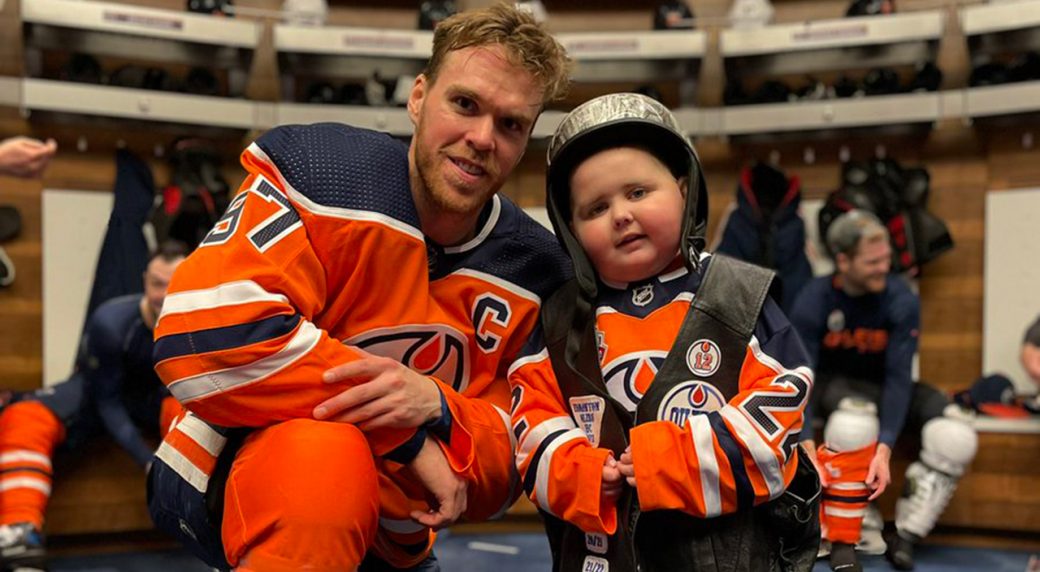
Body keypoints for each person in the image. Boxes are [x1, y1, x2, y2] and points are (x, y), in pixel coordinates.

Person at [147, 4, 572, 571]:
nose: (481, 138)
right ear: (419, 97)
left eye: (510, 124)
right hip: (236, 473)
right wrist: (406, 433)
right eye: (464, 104)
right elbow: (203, 335)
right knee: (324, 457)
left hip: (394, 539)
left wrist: (436, 405)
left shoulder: (536, 267)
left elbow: (506, 466)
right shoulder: (326, 172)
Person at [508, 92, 820, 572]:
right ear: (569, 230)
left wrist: (672, 463)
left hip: (726, 553)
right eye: (595, 209)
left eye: (638, 192)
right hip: (599, 554)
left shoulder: (739, 295)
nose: (620, 215)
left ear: (683, 189)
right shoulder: (558, 321)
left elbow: (783, 412)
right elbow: (530, 419)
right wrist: (581, 472)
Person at [790, 210, 978, 572]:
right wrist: (804, 437)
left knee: (956, 434)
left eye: (887, 260)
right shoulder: (813, 299)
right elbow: (803, 375)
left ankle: (906, 533)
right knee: (852, 424)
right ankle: (848, 533)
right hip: (837, 388)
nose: (883, 268)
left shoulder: (900, 298)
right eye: (872, 261)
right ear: (843, 261)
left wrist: (886, 446)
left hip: (886, 388)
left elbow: (897, 377)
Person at [0, 241, 188, 572]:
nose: (164, 295)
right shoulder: (112, 321)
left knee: (189, 412)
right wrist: (147, 461)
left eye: (175, 284)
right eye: (158, 283)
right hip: (97, 396)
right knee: (25, 416)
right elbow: (107, 400)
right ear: (144, 279)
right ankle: (20, 535)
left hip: (157, 401)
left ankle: (208, 530)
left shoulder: (201, 325)